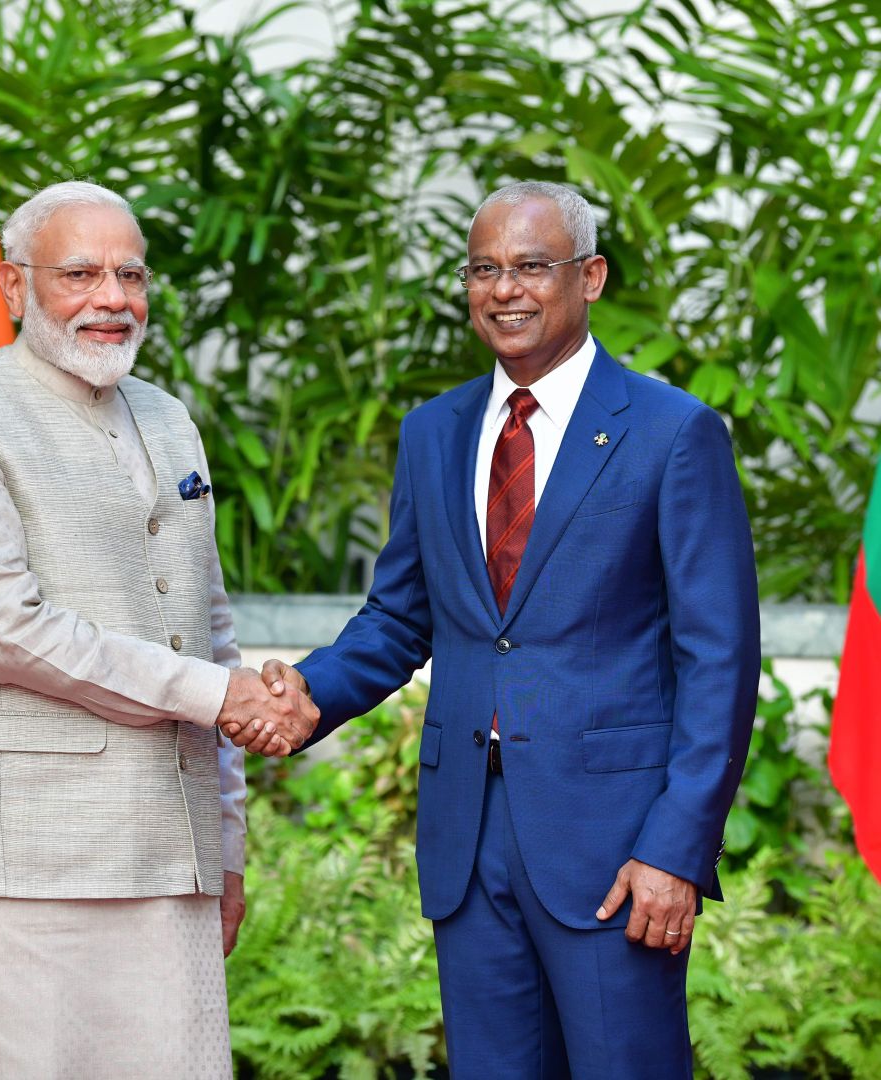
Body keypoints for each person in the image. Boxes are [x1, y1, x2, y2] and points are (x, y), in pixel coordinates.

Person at [238, 180, 760, 1078]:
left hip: (613, 854)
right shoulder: (433, 433)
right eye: (484, 269)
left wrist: (675, 847)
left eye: (531, 266)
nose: (504, 289)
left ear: (589, 277)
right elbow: (403, 616)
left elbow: (719, 661)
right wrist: (310, 693)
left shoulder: (673, 434)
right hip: (468, 848)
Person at [0, 180, 317, 1079]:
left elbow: (212, 629)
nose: (112, 299)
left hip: (173, 858)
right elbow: (8, 628)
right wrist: (216, 695)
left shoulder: (168, 418)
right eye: (79, 273)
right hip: (19, 864)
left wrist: (226, 849)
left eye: (131, 274)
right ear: (14, 287)